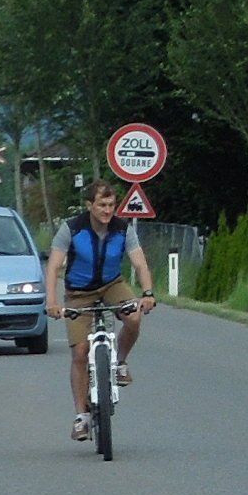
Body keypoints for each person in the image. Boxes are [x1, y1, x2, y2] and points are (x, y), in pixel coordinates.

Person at [45, 180, 154, 440]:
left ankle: (120, 363)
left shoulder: (123, 229)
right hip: (79, 293)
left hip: (112, 285)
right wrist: (52, 302)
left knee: (134, 316)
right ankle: (81, 416)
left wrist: (148, 293)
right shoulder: (71, 229)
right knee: (80, 353)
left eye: (111, 205)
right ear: (89, 205)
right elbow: (53, 267)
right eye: (102, 205)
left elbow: (139, 264)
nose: (107, 210)